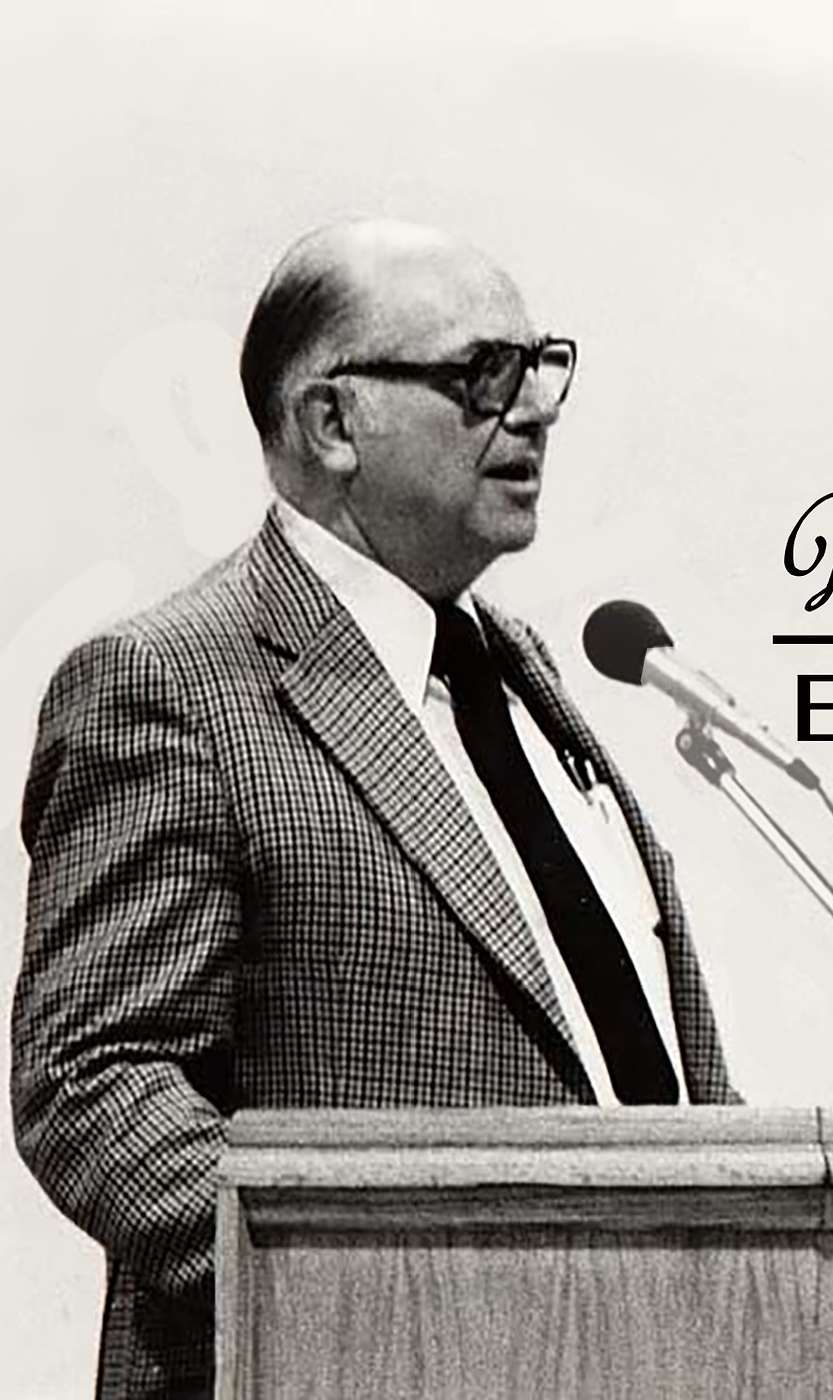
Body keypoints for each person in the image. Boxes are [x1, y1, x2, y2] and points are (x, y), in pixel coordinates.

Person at [11, 220, 739, 1400]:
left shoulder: (521, 676)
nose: (535, 409)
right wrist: (403, 1305)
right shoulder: (169, 684)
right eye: (482, 373)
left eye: (541, 364)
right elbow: (94, 1084)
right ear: (332, 422)